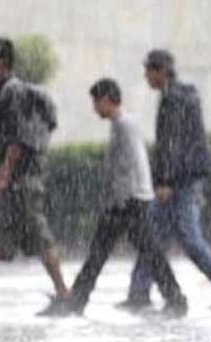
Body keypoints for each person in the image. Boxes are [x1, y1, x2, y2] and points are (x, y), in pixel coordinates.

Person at [40, 78, 188, 317]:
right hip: (127, 201)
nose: (94, 108)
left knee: (125, 253)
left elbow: (127, 168)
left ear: (107, 100)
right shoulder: (122, 124)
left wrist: (117, 202)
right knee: (118, 253)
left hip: (128, 203)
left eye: (96, 102)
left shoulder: (123, 126)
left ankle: (175, 298)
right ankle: (78, 299)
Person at [117, 49, 211, 311]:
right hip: (183, 180)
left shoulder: (174, 99)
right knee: (152, 235)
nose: (146, 77)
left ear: (161, 70)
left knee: (188, 239)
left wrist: (166, 182)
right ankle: (138, 292)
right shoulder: (179, 95)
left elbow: (172, 144)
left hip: (178, 183)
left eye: (148, 71)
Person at [0, 37, 71, 315]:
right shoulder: (6, 91)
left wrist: (2, 176)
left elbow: (17, 141)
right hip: (17, 183)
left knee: (40, 238)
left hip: (20, 183)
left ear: (0, 62)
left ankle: (64, 295)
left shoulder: (12, 92)